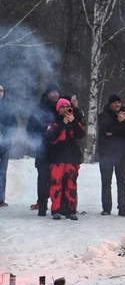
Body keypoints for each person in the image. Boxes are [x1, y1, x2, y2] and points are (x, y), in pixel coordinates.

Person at [45, 98, 85, 220]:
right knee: (56, 185)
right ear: (58, 109)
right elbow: (50, 136)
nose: (65, 109)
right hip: (57, 158)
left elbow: (81, 134)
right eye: (62, 107)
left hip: (72, 158)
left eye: (67, 106)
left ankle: (71, 210)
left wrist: (73, 122)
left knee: (71, 185)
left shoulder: (75, 121)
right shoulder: (54, 122)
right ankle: (56, 210)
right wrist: (64, 123)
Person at [26, 83, 61, 216]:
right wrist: (39, 139)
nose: (55, 94)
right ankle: (42, 204)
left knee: (57, 179)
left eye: (57, 92)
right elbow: (30, 129)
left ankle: (57, 205)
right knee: (43, 178)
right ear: (47, 93)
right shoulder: (38, 109)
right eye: (53, 92)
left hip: (59, 150)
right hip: (43, 148)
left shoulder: (62, 108)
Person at [97, 94, 125, 217]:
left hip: (122, 154)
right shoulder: (103, 116)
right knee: (106, 181)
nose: (117, 105)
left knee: (122, 182)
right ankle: (106, 208)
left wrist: (114, 130)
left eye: (119, 102)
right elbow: (105, 128)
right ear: (110, 104)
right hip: (106, 154)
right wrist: (117, 122)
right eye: (114, 103)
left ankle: (123, 208)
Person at [0, 83, 18, 207]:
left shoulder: (7, 107)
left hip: (4, 143)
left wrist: (3, 132)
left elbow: (14, 125)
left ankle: (0, 198)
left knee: (2, 171)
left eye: (1, 90)